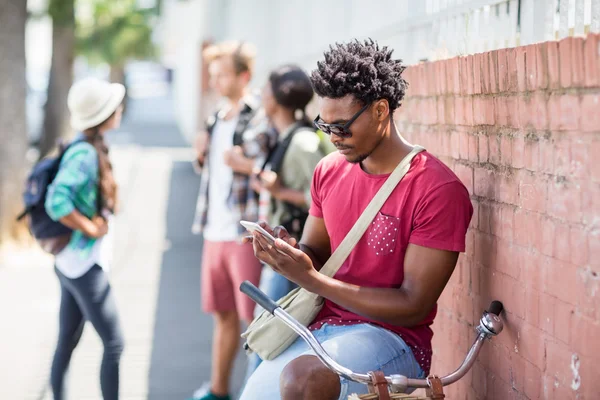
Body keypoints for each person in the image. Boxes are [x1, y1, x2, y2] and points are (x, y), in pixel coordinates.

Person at [239, 39, 474, 400]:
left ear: (381, 111)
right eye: (325, 125)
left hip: (394, 339)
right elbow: (315, 252)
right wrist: (288, 254)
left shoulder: (436, 188)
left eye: (343, 126)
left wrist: (313, 281)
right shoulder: (328, 171)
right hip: (323, 327)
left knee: (303, 382)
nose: (334, 137)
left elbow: (414, 305)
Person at [188, 40, 269, 400]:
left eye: (222, 74)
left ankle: (258, 392)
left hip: (243, 233)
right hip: (213, 231)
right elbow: (210, 172)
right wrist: (201, 156)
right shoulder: (215, 117)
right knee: (221, 314)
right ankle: (218, 391)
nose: (215, 81)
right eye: (213, 74)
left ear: (244, 75)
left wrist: (248, 164)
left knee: (256, 321)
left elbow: (270, 171)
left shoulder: (259, 116)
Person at [45, 77, 126, 400]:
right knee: (115, 343)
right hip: (83, 265)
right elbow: (56, 201)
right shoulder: (85, 155)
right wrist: (90, 228)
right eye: (113, 105)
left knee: (67, 340)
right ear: (103, 115)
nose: (119, 108)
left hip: (71, 262)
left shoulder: (91, 146)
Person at [244, 64, 325, 381]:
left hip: (293, 250)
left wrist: (280, 191)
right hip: (280, 245)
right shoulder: (284, 137)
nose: (261, 96)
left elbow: (322, 197)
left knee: (268, 328)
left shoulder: (302, 142)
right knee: (270, 327)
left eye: (265, 90)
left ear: (277, 98)